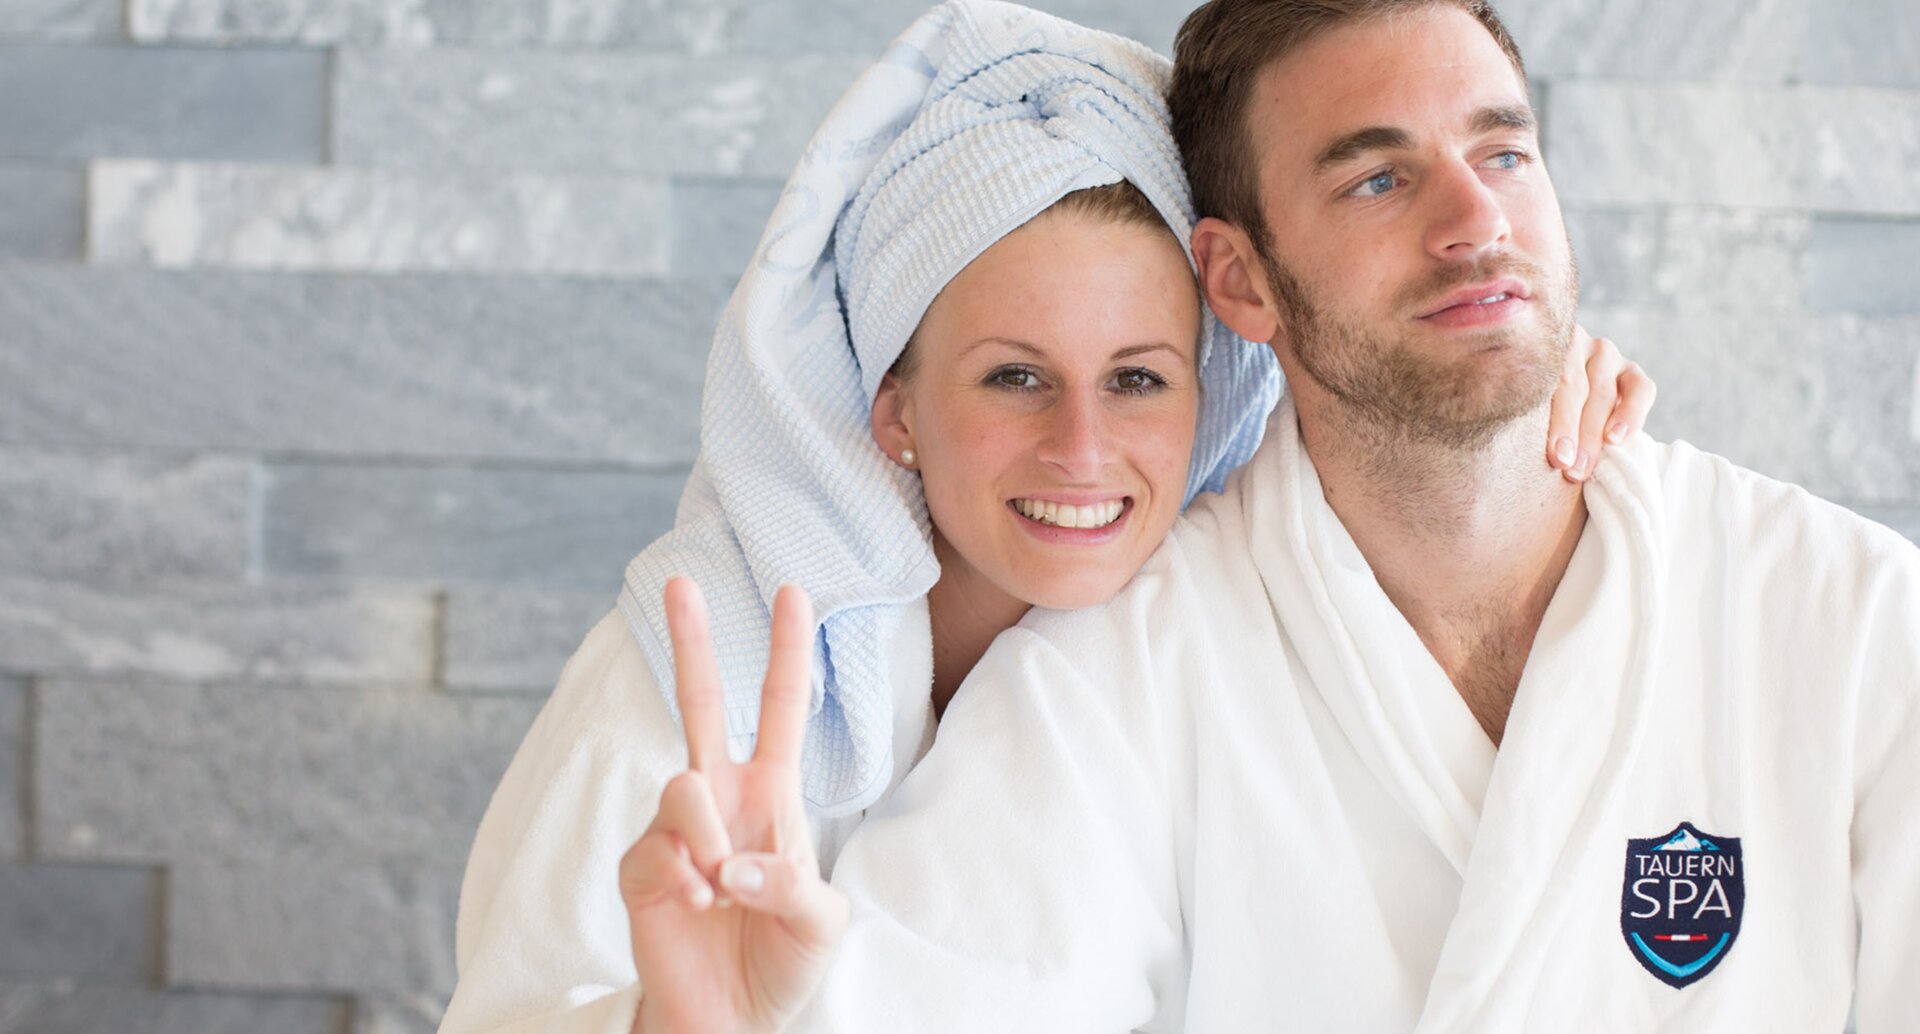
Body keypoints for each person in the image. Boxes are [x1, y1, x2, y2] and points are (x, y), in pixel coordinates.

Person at [434, 4, 1654, 1033]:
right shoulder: (703, 683)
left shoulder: (1210, 613)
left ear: (1207, 389)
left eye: (1137, 378)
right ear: (893, 405)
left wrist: (1524, 378)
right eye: (1015, 376)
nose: (1083, 449)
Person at [756, 0, 1916, 1030]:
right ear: (1240, 280)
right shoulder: (1112, 678)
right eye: (1378, 177)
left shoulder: (1852, 616)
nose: (1477, 223)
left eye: (1504, 152)